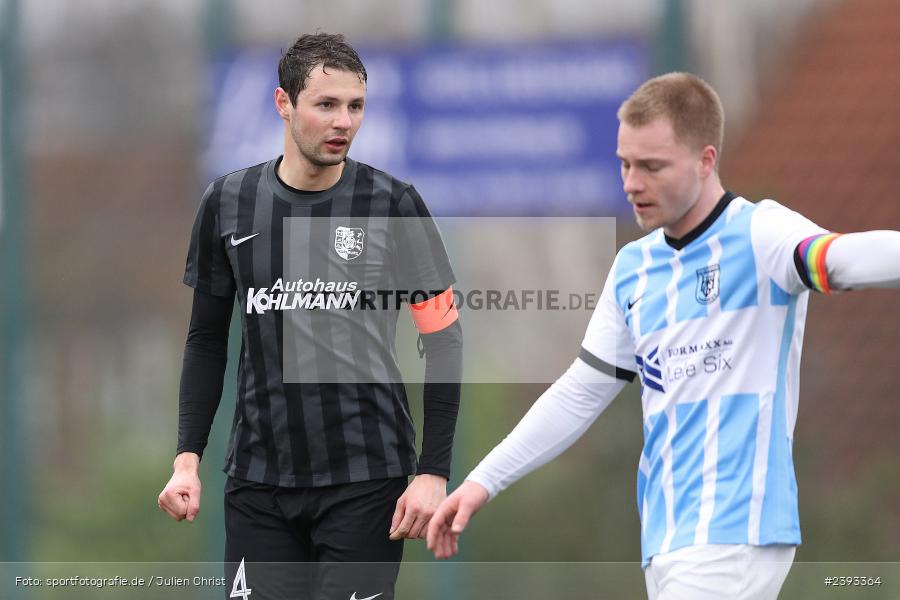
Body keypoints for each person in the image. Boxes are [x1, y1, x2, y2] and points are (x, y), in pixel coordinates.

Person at [426, 72, 900, 599]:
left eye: (652, 166)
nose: (631, 182)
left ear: (705, 160)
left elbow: (840, 260)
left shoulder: (759, 234)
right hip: (666, 536)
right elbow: (579, 392)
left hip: (736, 528)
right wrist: (483, 480)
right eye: (625, 164)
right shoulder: (634, 267)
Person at [157, 32, 463, 600]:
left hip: (366, 483)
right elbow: (205, 340)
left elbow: (443, 339)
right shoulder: (228, 203)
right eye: (326, 105)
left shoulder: (394, 204)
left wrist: (433, 472)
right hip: (258, 485)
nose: (343, 120)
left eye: (355, 106)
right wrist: (186, 460)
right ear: (284, 104)